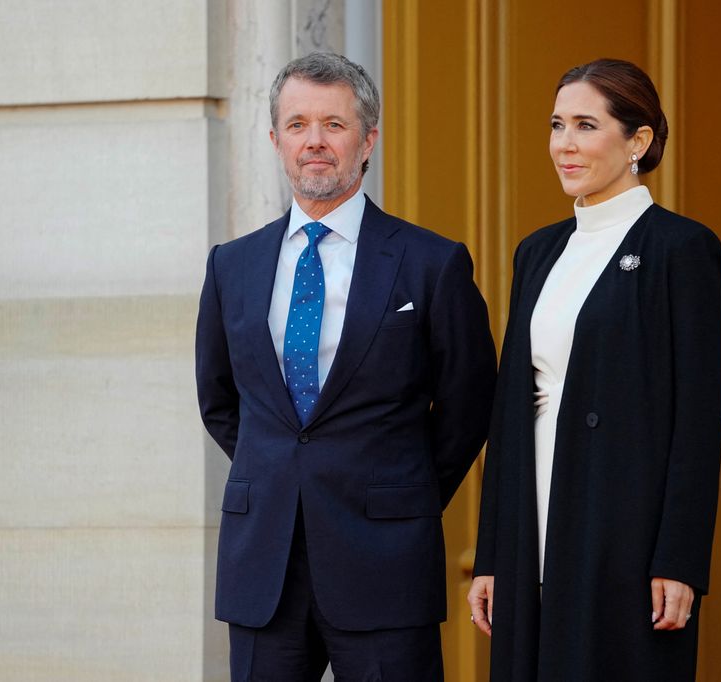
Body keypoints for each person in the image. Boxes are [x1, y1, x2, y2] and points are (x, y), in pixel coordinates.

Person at [196, 52, 497, 681]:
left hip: (385, 559)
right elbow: (221, 402)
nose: (315, 141)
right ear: (275, 139)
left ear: (369, 140)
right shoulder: (231, 265)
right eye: (298, 124)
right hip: (264, 569)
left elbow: (469, 407)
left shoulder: (432, 263)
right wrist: (286, 474)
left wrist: (399, 490)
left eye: (334, 125)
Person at [467, 58, 721, 680]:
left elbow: (699, 417)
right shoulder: (537, 251)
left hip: (627, 533)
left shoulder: (681, 249)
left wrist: (681, 558)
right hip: (532, 526)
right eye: (558, 125)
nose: (565, 144)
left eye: (586, 125)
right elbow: (511, 412)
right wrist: (493, 554)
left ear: (637, 140)